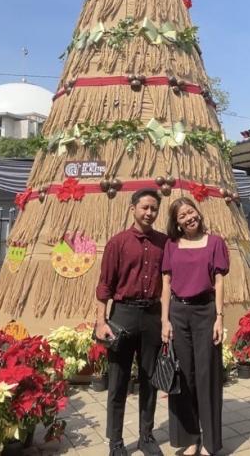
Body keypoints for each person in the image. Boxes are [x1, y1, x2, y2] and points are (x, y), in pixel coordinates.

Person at [95, 188, 166, 456]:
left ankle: (146, 436)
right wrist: (101, 322)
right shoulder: (118, 243)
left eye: (154, 208)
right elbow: (105, 285)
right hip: (122, 315)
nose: (149, 213)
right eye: (145, 207)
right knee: (118, 380)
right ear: (133, 208)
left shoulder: (164, 243)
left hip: (152, 316)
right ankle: (115, 441)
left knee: (150, 378)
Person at [160, 197, 227, 456]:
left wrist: (219, 317)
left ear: (198, 212)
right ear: (176, 223)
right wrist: (164, 320)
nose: (189, 218)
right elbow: (166, 284)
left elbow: (219, 282)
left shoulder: (215, 243)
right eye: (182, 216)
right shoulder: (171, 245)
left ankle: (210, 441)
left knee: (207, 376)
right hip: (178, 313)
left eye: (191, 212)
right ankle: (190, 438)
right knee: (183, 376)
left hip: (205, 312)